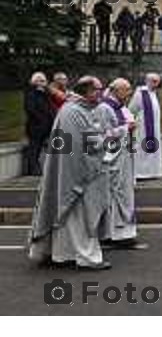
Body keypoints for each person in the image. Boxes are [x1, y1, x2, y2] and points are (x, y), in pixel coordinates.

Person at [27, 76, 112, 270]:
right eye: (97, 89)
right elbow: (81, 147)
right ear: (86, 91)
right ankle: (86, 257)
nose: (101, 93)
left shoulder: (77, 110)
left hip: (73, 173)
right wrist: (108, 138)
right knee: (78, 218)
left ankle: (61, 255)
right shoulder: (73, 112)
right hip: (75, 176)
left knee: (66, 217)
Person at [96, 78, 144, 249]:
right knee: (114, 196)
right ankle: (113, 235)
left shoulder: (121, 108)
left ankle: (125, 233)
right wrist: (126, 129)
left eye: (130, 89)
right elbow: (102, 135)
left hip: (124, 159)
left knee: (125, 196)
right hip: (113, 161)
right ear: (116, 90)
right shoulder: (104, 108)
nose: (129, 93)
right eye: (126, 90)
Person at [129, 73, 162, 180]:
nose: (157, 84)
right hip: (142, 128)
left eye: (157, 82)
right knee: (142, 148)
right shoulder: (140, 93)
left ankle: (153, 171)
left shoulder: (153, 93)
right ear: (148, 81)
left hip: (155, 128)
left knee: (153, 149)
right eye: (154, 81)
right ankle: (141, 172)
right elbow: (132, 109)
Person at [24, 72, 54, 176]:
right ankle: (32, 169)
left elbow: (50, 108)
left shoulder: (45, 94)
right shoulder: (31, 93)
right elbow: (30, 109)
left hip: (45, 126)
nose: (41, 83)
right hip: (35, 126)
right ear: (34, 82)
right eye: (39, 81)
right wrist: (41, 119)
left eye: (43, 81)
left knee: (39, 148)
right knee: (34, 148)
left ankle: (36, 168)